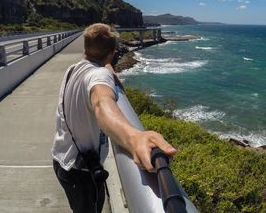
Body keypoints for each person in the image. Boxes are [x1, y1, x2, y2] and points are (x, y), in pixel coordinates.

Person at [52, 23, 177, 213]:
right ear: (112, 51)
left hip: (61, 160)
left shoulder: (73, 69)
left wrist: (107, 66)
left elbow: (99, 69)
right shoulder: (99, 75)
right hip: (81, 173)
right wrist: (134, 137)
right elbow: (102, 103)